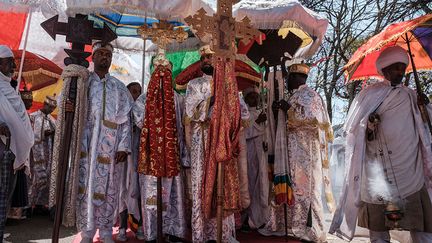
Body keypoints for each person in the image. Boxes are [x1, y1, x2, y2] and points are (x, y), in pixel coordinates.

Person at [330, 46, 432, 243]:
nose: (400, 72)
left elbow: (427, 124)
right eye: (395, 68)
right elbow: (354, 130)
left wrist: (425, 104)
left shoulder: (411, 95)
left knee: (421, 229)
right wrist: (369, 124)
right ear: (384, 70)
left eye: (402, 68)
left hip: (409, 171)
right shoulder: (369, 95)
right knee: (378, 232)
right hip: (378, 172)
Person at [65, 41, 133, 243]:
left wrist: (123, 146)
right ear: (92, 57)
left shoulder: (119, 88)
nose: (105, 57)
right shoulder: (83, 84)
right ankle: (87, 232)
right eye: (101, 54)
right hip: (86, 146)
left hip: (110, 149)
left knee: (110, 189)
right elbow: (69, 106)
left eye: (108, 55)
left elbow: (126, 120)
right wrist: (68, 106)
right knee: (85, 187)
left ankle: (105, 231)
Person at [184, 45, 248, 243]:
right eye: (203, 58)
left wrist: (227, 112)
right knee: (201, 184)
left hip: (222, 143)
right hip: (201, 141)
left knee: (223, 185)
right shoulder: (193, 85)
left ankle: (224, 233)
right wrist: (210, 102)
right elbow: (189, 112)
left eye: (210, 57)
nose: (206, 61)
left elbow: (243, 114)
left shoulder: (229, 84)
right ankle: (201, 234)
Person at [137, 53, 188, 242]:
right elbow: (138, 121)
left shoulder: (179, 99)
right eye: (158, 69)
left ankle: (173, 231)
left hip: (173, 155)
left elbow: (184, 127)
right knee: (151, 195)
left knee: (173, 193)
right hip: (152, 156)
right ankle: (152, 232)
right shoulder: (144, 98)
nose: (161, 74)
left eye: (165, 70)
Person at [0, 45, 34, 240]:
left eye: (13, 61)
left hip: (11, 153)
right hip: (2, 149)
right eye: (9, 61)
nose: (13, 65)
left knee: (4, 198)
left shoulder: (8, 87)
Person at [117, 82, 145, 241]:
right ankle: (122, 228)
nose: (137, 95)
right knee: (123, 192)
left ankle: (139, 226)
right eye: (134, 91)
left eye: (139, 92)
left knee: (138, 191)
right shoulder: (122, 110)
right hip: (123, 160)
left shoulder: (142, 111)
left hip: (138, 159)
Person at [241, 86, 270, 230]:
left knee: (262, 185)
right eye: (251, 96)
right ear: (246, 99)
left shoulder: (261, 112)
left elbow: (267, 134)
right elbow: (243, 134)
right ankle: (248, 218)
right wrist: (257, 122)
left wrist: (267, 144)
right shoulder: (243, 114)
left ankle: (262, 217)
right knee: (250, 184)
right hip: (249, 154)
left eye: (256, 96)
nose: (254, 99)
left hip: (261, 155)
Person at [28, 95, 57, 210]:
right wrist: (43, 134)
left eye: (53, 109)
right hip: (35, 152)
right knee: (35, 177)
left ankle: (41, 204)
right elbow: (30, 134)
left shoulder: (52, 119)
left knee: (47, 175)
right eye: (49, 107)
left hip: (48, 152)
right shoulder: (33, 117)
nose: (51, 110)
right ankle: (29, 205)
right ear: (44, 104)